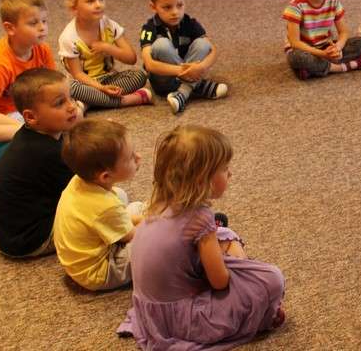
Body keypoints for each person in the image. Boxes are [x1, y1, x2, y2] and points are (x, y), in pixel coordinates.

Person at [118, 125, 285, 348]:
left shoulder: (159, 203)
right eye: (225, 169)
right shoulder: (200, 217)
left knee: (224, 234)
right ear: (201, 180)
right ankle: (258, 315)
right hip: (182, 320)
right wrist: (237, 271)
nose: (230, 173)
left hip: (150, 314)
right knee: (271, 279)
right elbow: (219, 282)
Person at [0, 69, 79, 257]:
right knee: (112, 202)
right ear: (31, 117)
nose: (72, 106)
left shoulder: (30, 135)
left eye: (70, 98)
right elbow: (84, 191)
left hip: (10, 237)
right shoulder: (47, 152)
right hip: (31, 241)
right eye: (60, 103)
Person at [54, 119, 144, 290]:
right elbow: (133, 235)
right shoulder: (105, 207)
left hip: (82, 257)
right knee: (153, 240)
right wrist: (153, 221)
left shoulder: (78, 180)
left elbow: (113, 215)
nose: (138, 157)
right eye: (131, 157)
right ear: (105, 176)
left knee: (125, 199)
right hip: (99, 272)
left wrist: (143, 218)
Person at [58, 0, 151, 110]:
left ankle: (89, 102)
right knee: (69, 87)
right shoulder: (68, 37)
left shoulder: (109, 25)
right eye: (91, 1)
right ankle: (127, 100)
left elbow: (131, 59)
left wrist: (107, 47)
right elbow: (77, 74)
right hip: (84, 84)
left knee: (139, 76)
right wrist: (101, 88)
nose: (98, 5)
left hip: (109, 78)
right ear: (74, 8)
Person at [140, 0, 228, 114]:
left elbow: (213, 50)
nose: (175, 12)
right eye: (167, 7)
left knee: (202, 44)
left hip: (189, 73)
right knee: (161, 45)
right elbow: (149, 64)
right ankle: (198, 85)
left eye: (180, 5)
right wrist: (185, 72)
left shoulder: (190, 23)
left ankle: (183, 93)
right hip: (163, 81)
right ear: (153, 7)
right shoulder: (149, 28)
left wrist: (201, 67)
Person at [0, 0, 58, 167]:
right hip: (6, 117)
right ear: (10, 28)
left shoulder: (42, 49)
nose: (42, 27)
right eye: (33, 23)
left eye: (44, 21)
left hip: (31, 110)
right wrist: (24, 129)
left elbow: (54, 88)